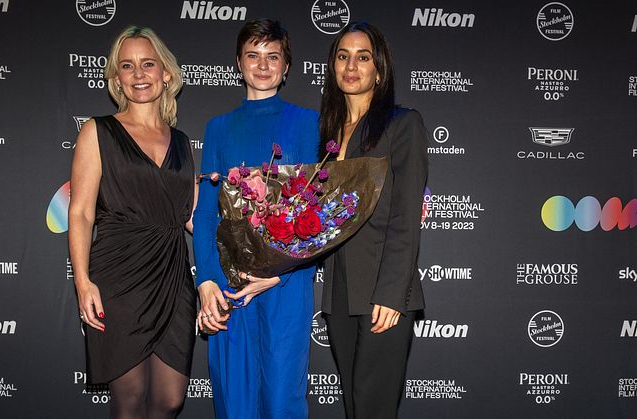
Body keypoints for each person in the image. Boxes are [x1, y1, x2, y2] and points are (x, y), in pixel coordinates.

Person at [193, 19, 319, 419]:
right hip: (230, 287)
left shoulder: (309, 123)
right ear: (238, 63)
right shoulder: (219, 128)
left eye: (272, 56)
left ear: (286, 67)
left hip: (287, 285)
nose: (262, 65)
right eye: (253, 55)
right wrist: (207, 281)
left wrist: (280, 273)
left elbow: (319, 213)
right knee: (236, 404)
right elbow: (207, 211)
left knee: (283, 402)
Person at [68, 26, 196, 419]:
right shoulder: (97, 131)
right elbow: (82, 212)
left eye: (148, 64)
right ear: (116, 79)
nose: (139, 74)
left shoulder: (182, 141)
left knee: (170, 400)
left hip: (173, 276)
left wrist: (252, 239)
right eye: (128, 66)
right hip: (118, 275)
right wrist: (83, 280)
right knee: (129, 398)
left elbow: (192, 216)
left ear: (166, 74)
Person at [318, 22, 429, 419]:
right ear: (332, 68)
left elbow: (405, 216)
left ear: (378, 70)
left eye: (362, 57)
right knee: (354, 407)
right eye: (343, 57)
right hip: (339, 291)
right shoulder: (328, 135)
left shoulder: (403, 124)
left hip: (383, 290)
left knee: (373, 409)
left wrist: (391, 294)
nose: (352, 65)